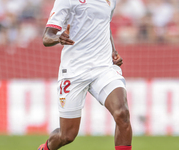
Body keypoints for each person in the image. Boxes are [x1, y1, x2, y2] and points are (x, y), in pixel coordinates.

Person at [38, 0, 132, 150]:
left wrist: (113, 51)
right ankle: (44, 148)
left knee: (122, 113)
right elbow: (47, 37)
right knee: (66, 136)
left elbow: (104, 25)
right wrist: (58, 38)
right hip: (74, 71)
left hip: (103, 68)